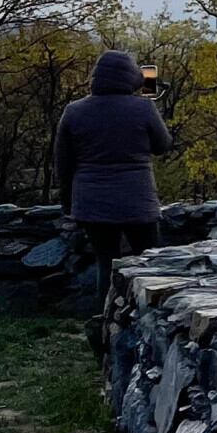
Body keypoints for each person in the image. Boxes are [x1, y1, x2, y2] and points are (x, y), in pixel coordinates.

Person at [56, 50, 176, 292]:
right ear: (131, 77)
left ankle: (105, 319)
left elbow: (63, 164)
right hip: (137, 200)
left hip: (91, 202)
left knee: (105, 262)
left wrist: (67, 204)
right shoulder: (143, 108)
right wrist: (149, 108)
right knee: (148, 261)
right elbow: (162, 146)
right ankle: (143, 319)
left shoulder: (73, 111)